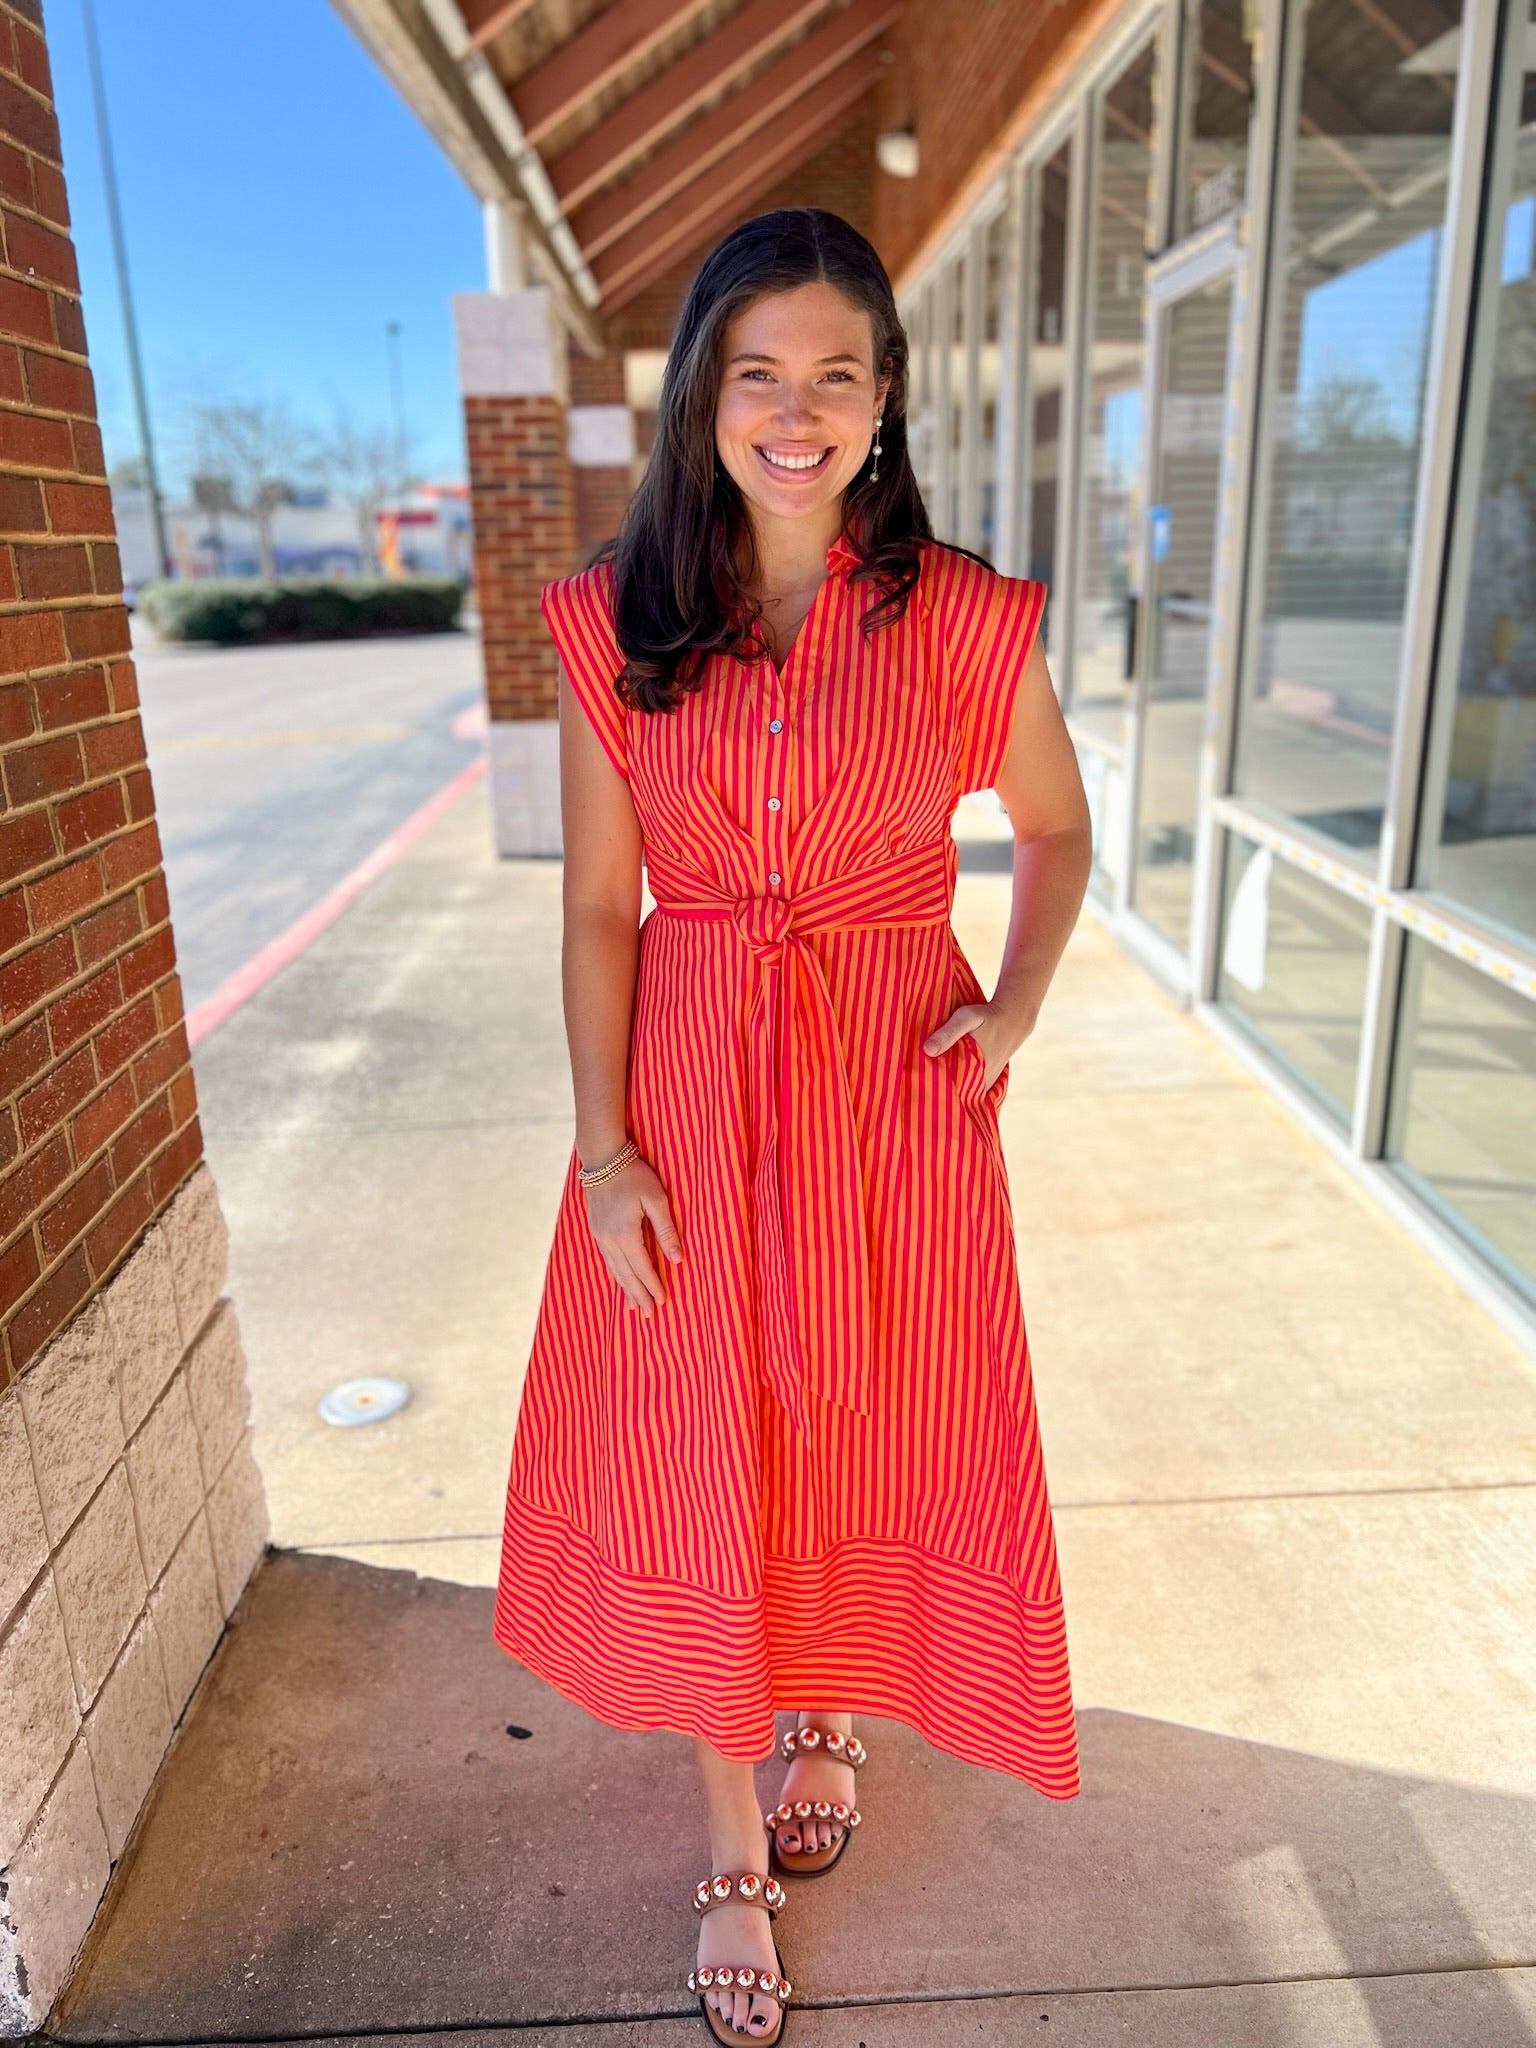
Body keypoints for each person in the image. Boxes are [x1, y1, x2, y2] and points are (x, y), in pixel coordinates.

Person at [492, 207, 1093, 2044]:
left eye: (838, 371)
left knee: (853, 1416)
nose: (797, 407)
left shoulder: (966, 616)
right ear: (703, 397)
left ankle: (828, 1702)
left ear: (886, 396)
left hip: (891, 1090)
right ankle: (728, 1838)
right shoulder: (614, 625)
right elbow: (602, 907)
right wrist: (604, 1152)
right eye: (758, 371)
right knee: (698, 1443)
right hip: (685, 1088)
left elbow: (1056, 835)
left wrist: (1013, 1006)